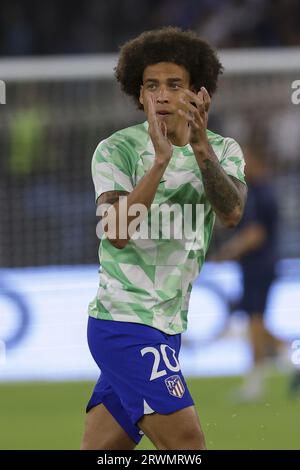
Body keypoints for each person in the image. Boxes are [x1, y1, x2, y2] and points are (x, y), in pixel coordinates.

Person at [81, 26, 247, 450]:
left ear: (199, 94)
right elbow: (115, 233)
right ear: (139, 95)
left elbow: (230, 213)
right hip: (124, 322)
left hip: (168, 326)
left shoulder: (223, 151)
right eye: (151, 85)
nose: (161, 95)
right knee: (187, 447)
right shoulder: (116, 150)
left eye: (174, 84)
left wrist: (199, 147)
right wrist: (159, 162)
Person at [212, 145, 281, 401]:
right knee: (258, 323)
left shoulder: (262, 194)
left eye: (245, 159)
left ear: (257, 160)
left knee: (255, 322)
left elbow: (255, 235)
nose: (241, 165)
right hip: (257, 267)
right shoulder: (256, 192)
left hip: (259, 267)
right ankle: (288, 356)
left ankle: (255, 384)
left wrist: (227, 253)